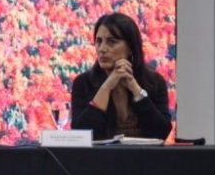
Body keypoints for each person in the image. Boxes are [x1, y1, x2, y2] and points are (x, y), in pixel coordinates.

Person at [70, 12, 171, 141]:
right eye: (98, 42)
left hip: (145, 159)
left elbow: (161, 133)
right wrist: (106, 87)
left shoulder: (154, 82)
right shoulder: (83, 83)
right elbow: (81, 135)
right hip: (99, 160)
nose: (102, 49)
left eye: (111, 42)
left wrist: (135, 88)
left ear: (130, 47)